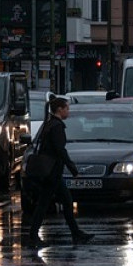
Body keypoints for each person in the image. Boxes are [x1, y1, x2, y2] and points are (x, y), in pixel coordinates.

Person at [27, 95, 94, 248]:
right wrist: (73, 169)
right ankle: (34, 235)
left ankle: (76, 234)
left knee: (63, 202)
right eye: (66, 108)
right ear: (59, 109)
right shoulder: (56, 127)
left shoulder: (50, 124)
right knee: (48, 204)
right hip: (52, 172)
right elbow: (60, 150)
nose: (68, 112)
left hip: (51, 171)